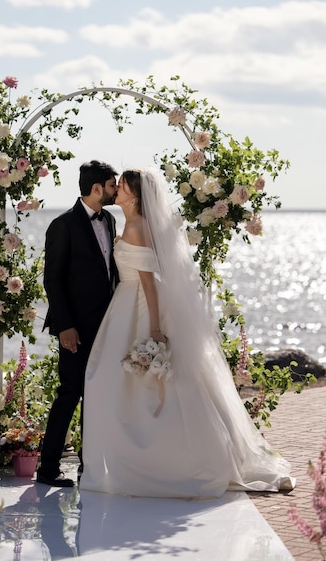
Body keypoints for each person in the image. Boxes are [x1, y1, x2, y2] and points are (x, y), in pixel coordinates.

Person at [80, 167, 295, 498]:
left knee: (140, 380)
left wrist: (154, 328)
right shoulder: (126, 223)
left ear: (135, 195)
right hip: (124, 304)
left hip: (138, 305)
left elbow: (148, 282)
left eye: (120, 187)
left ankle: (170, 458)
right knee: (119, 380)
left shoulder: (137, 228)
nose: (115, 191)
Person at [37, 160, 119, 487]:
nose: (115, 191)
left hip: (107, 326)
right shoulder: (63, 225)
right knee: (69, 394)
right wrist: (65, 326)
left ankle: (90, 469)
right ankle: (48, 469)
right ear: (96, 188)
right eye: (112, 185)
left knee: (97, 396)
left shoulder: (110, 220)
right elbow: (52, 280)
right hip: (76, 330)